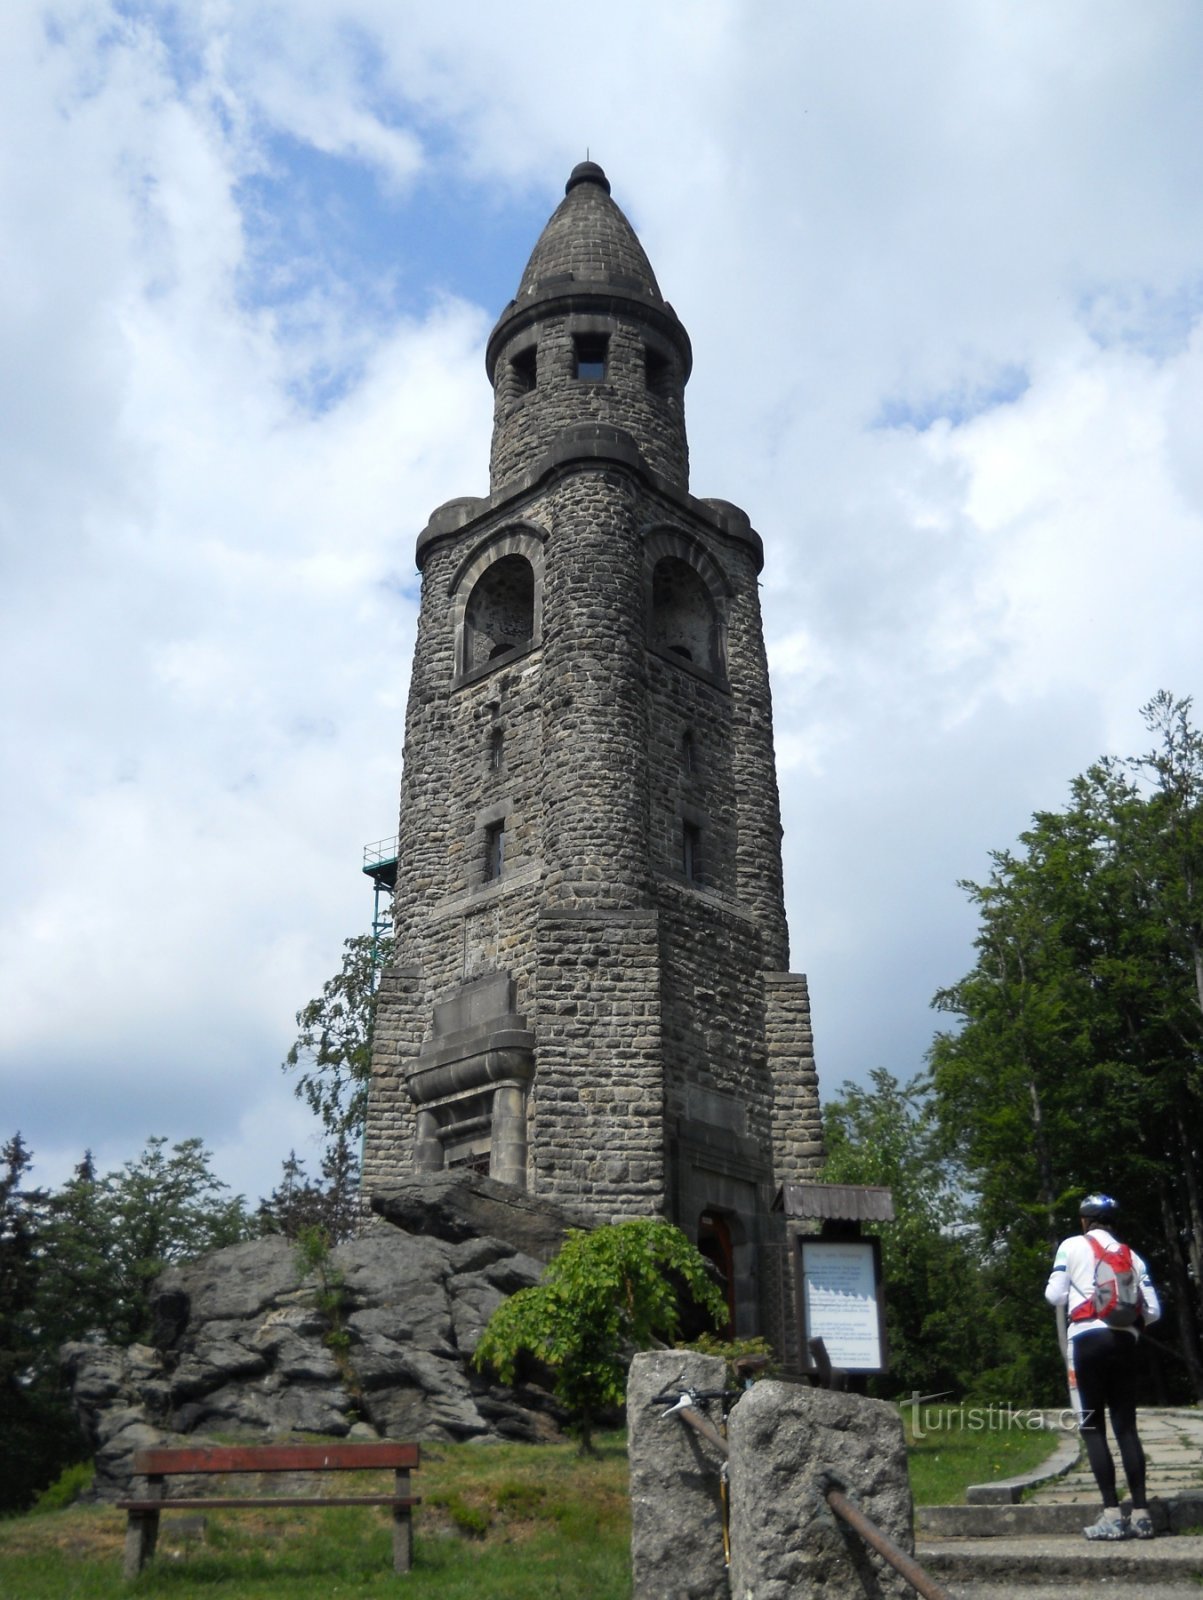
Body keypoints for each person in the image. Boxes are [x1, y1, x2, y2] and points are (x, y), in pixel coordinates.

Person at [1045, 1193, 1161, 1541]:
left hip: (1087, 1342)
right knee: (1127, 1428)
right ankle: (1142, 1515)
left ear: (1085, 1221)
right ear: (1113, 1222)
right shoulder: (1132, 1257)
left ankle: (1112, 1513)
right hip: (1125, 1341)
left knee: (1093, 1427)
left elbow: (1055, 1295)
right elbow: (1153, 1310)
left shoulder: (1070, 1246)